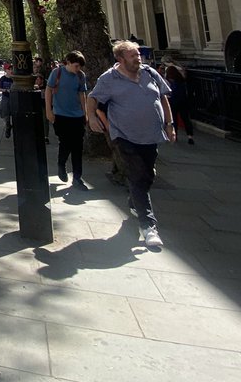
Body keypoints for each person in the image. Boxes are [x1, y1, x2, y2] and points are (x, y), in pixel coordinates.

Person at [87, 40, 175, 250]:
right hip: (125, 136)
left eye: (138, 54)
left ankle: (134, 201)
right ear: (120, 58)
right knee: (137, 176)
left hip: (151, 135)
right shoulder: (109, 79)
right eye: (133, 55)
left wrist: (169, 124)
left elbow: (163, 99)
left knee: (147, 175)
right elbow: (93, 98)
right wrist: (90, 117)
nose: (138, 58)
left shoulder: (150, 73)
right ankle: (148, 226)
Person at [45, 51, 88, 188]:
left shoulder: (81, 76)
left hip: (77, 116)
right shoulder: (57, 73)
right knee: (66, 143)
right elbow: (48, 90)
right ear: (68, 62)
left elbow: (82, 94)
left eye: (80, 67)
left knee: (77, 147)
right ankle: (61, 164)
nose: (78, 69)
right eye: (76, 66)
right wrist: (48, 111)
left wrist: (85, 113)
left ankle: (77, 178)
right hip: (61, 115)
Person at [164, 64, 195, 145]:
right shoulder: (181, 81)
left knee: (174, 119)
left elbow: (169, 93)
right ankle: (190, 136)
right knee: (186, 119)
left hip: (173, 102)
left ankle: (175, 135)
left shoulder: (170, 81)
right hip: (184, 102)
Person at [0, 63, 13, 138]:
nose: (10, 70)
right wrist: (5, 90)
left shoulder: (14, 78)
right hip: (6, 97)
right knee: (6, 114)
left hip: (14, 98)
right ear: (6, 70)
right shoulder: (3, 78)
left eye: (11, 69)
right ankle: (8, 127)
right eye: (9, 69)